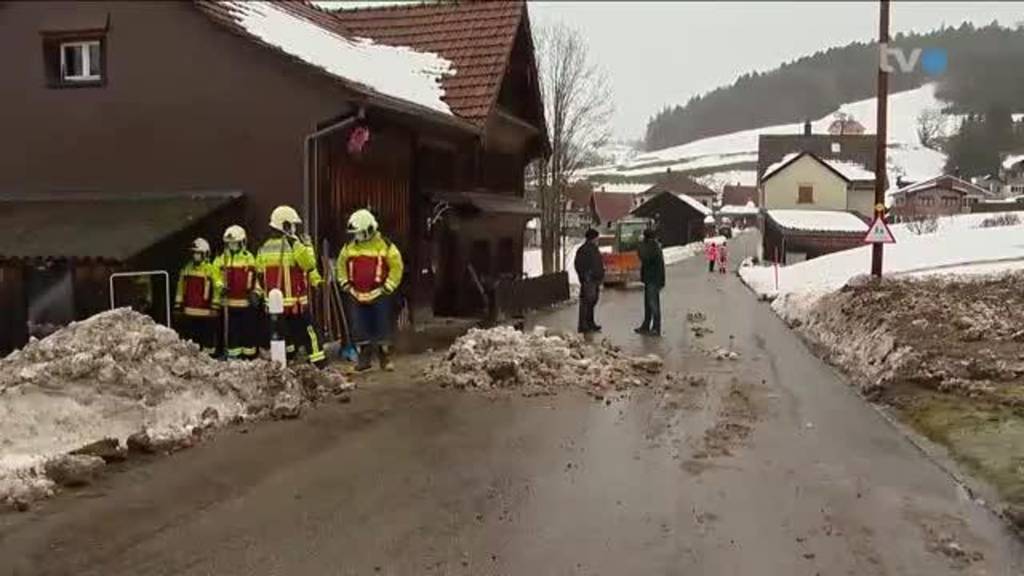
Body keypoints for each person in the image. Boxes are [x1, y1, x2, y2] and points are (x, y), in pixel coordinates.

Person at [256, 205, 326, 367]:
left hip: (275, 308)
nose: (295, 229)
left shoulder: (263, 248)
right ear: (285, 225)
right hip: (296, 305)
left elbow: (259, 275)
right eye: (293, 225)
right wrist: (307, 246)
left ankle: (289, 366)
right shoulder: (294, 245)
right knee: (311, 334)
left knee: (284, 338)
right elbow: (309, 265)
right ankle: (319, 365)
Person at [337, 209, 404, 372]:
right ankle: (364, 359)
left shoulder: (385, 246)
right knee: (360, 328)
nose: (357, 236)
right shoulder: (349, 247)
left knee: (382, 327)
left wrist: (389, 286)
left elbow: (397, 266)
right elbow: (341, 266)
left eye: (359, 233)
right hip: (356, 294)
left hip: (379, 293)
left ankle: (385, 358)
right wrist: (345, 283)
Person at [214, 225, 262, 360]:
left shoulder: (249, 259)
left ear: (242, 242)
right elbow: (214, 276)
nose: (232, 246)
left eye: (235, 243)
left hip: (246, 305)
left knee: (249, 335)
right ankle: (233, 360)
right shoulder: (221, 260)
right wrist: (220, 287)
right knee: (232, 335)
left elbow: (257, 280)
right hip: (229, 305)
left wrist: (257, 293)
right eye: (230, 244)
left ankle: (250, 359)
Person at [174, 237, 222, 356]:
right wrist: (178, 306)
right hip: (189, 312)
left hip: (206, 313)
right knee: (191, 340)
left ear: (205, 254)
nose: (195, 256)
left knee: (207, 340)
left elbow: (217, 289)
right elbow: (180, 288)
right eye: (193, 253)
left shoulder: (211, 270)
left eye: (198, 253)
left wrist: (215, 307)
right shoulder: (187, 268)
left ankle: (209, 359)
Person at [574, 228, 605, 334]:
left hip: (595, 280)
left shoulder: (594, 249)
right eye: (597, 237)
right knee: (586, 302)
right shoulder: (584, 249)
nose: (598, 239)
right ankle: (583, 325)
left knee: (592, 302)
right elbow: (579, 265)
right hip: (589, 280)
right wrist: (585, 276)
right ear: (592, 238)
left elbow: (598, 263)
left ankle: (590, 322)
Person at [635, 229, 665, 336]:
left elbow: (644, 257)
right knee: (648, 304)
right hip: (652, 279)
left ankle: (656, 328)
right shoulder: (654, 245)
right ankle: (646, 326)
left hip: (653, 279)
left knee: (653, 304)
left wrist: (639, 245)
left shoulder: (652, 247)